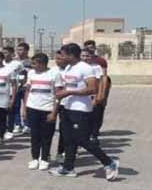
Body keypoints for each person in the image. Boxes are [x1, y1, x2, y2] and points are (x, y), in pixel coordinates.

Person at [50, 43, 119, 180]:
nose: (61, 57)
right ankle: (68, 168)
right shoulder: (69, 68)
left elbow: (92, 89)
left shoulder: (86, 68)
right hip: (67, 108)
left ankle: (109, 163)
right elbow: (67, 87)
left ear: (70, 55)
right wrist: (61, 93)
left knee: (82, 139)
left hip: (81, 109)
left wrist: (69, 92)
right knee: (68, 139)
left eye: (63, 55)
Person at [22, 53, 61, 170]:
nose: (32, 66)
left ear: (42, 64)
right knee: (35, 135)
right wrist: (24, 108)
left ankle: (44, 159)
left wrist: (54, 112)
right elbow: (27, 91)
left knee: (46, 136)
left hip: (47, 109)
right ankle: (35, 158)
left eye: (34, 64)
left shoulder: (54, 74)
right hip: (32, 108)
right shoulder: (31, 73)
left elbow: (58, 95)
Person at [0, 50, 17, 145]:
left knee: (2, 118)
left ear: (0, 59)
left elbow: (14, 85)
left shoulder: (9, 70)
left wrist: (12, 99)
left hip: (3, 99)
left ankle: (1, 136)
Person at [82, 48, 107, 143]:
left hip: (92, 96)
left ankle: (93, 136)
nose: (85, 58)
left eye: (87, 56)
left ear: (91, 57)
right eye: (83, 56)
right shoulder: (77, 67)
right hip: (81, 96)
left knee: (94, 117)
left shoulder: (96, 67)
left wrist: (98, 96)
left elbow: (99, 83)